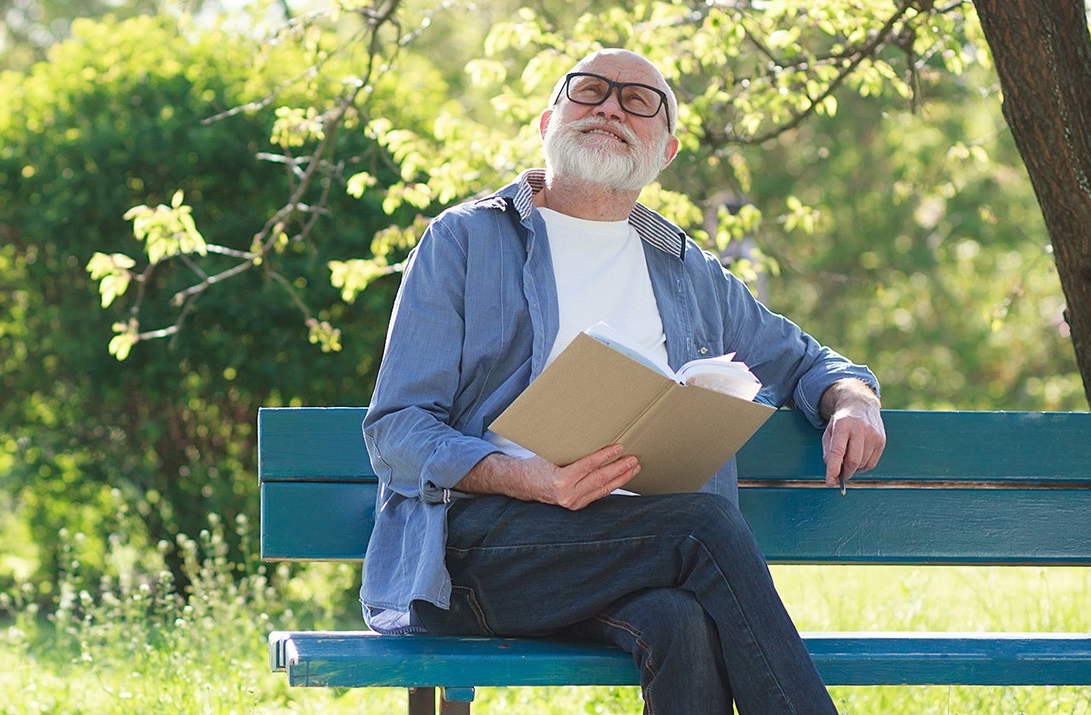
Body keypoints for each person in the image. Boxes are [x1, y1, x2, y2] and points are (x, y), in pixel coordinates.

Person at [360, 47, 886, 714]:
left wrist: (853, 399)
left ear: (666, 150)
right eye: (589, 91)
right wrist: (532, 478)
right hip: (483, 553)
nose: (610, 106)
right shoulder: (465, 241)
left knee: (680, 622)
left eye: (639, 101)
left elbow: (812, 362)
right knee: (703, 525)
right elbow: (397, 430)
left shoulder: (688, 271)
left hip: (638, 549)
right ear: (547, 120)